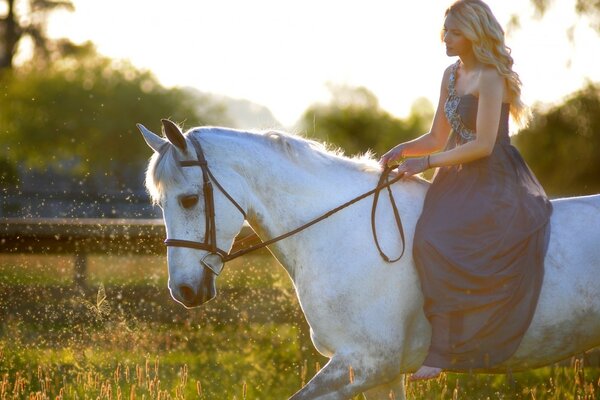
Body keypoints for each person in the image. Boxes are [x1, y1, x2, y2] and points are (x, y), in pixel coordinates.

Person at [379, 0, 553, 381]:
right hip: (457, 177)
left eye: (455, 32)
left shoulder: (491, 77)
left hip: (493, 177)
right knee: (423, 239)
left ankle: (444, 349)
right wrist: (402, 149)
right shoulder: (450, 74)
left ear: (474, 35)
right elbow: (438, 136)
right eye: (445, 31)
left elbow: (483, 145)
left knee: (440, 239)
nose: (446, 38)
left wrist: (424, 164)